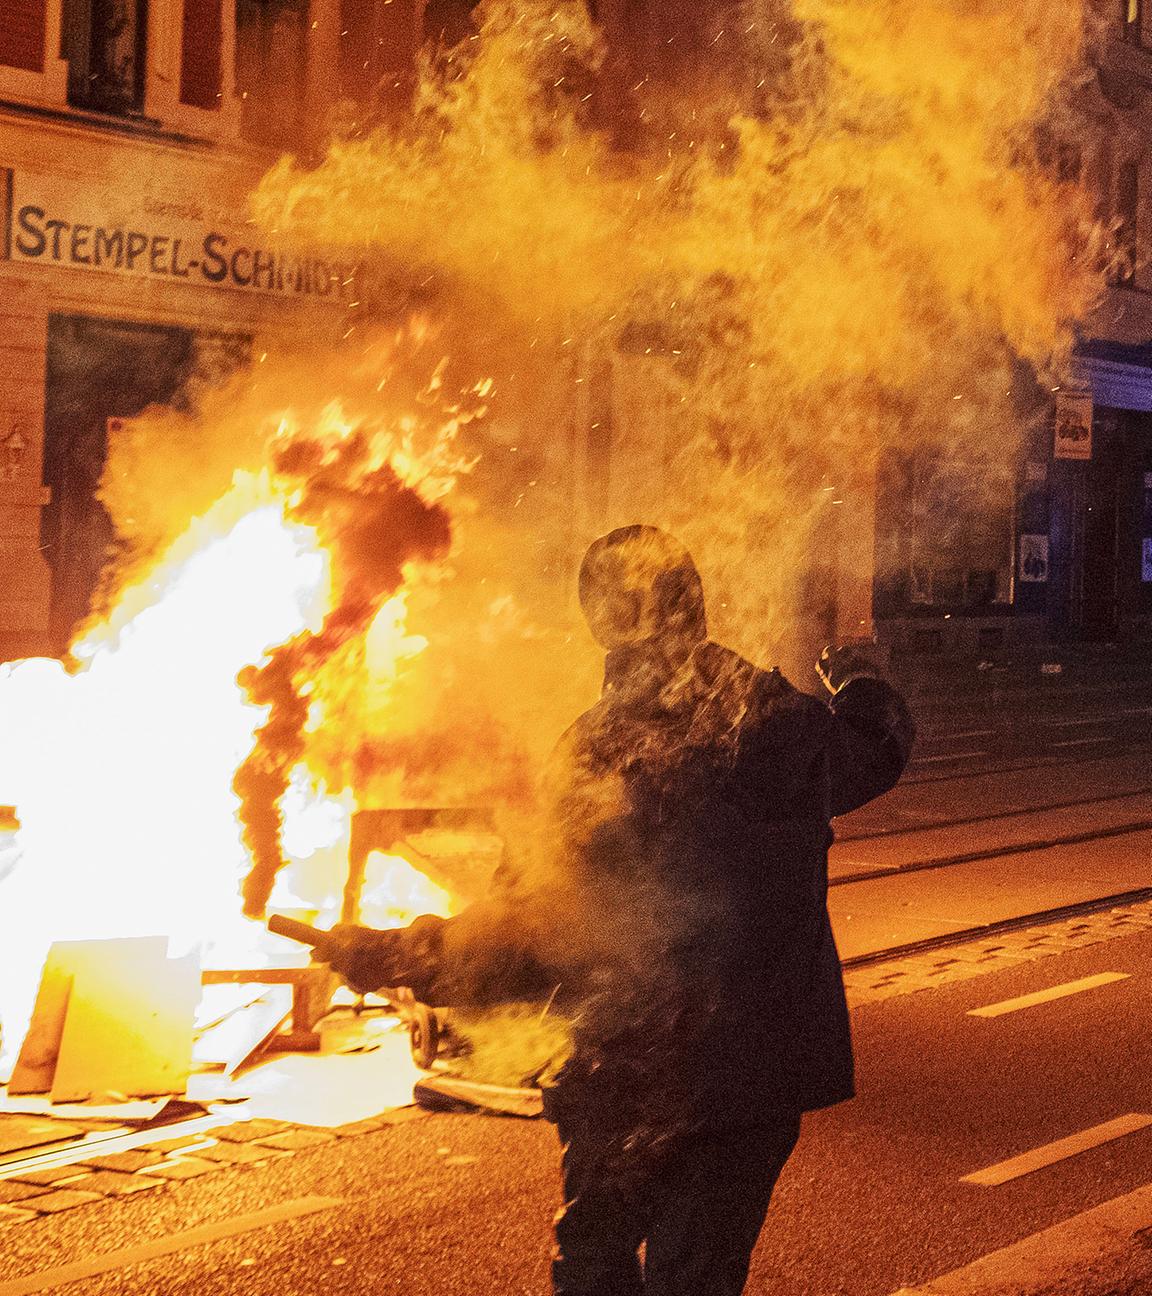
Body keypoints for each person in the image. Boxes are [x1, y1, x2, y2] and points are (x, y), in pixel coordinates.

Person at [325, 524, 914, 1296]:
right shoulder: (773, 719)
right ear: (696, 608)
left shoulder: (595, 752)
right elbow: (876, 751)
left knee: (594, 1265)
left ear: (601, 622)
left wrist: (408, 957)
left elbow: (531, 926)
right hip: (749, 1078)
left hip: (630, 1066)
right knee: (695, 1277)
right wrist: (863, 685)